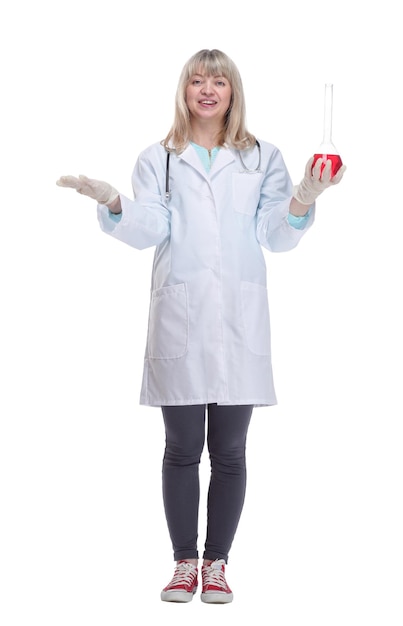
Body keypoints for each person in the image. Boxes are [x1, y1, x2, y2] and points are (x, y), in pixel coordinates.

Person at [57, 48, 346, 604]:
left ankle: (218, 565)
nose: (207, 90)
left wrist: (302, 201)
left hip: (239, 319)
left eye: (218, 81)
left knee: (231, 452)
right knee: (182, 448)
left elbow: (275, 235)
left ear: (233, 91)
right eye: (197, 81)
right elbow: (151, 227)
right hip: (181, 320)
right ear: (184, 91)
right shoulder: (160, 158)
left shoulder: (263, 156)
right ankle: (183, 564)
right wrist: (114, 201)